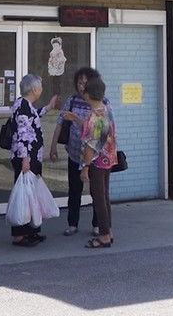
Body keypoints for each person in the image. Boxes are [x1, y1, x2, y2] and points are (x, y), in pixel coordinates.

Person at [51, 66, 106, 236]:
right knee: (74, 190)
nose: (82, 86)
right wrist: (53, 146)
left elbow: (93, 131)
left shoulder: (101, 104)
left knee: (97, 192)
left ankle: (98, 225)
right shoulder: (72, 100)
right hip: (75, 153)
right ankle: (72, 224)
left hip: (94, 158)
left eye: (85, 83)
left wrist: (75, 118)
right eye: (79, 83)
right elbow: (60, 122)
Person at [9, 73, 59, 247]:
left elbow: (33, 117)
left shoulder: (25, 105)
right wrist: (25, 159)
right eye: (40, 87)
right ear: (35, 89)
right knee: (25, 194)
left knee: (31, 194)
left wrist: (47, 108)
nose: (41, 90)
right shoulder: (22, 106)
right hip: (27, 158)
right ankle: (20, 233)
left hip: (32, 157)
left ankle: (31, 230)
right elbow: (22, 134)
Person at [80, 73, 117, 249]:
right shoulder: (107, 110)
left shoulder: (93, 117)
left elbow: (90, 145)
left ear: (88, 95)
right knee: (105, 196)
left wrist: (85, 167)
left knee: (98, 198)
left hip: (95, 162)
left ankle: (103, 236)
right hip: (108, 159)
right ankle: (108, 231)